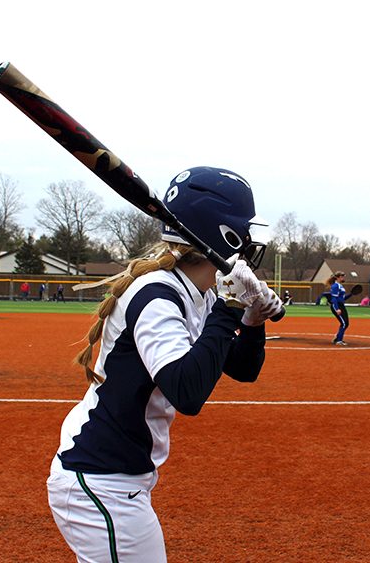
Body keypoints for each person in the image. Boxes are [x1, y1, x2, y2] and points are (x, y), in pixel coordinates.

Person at [46, 167, 280, 562]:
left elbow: (242, 367)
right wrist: (231, 306)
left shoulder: (196, 291)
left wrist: (251, 321)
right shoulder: (159, 295)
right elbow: (186, 392)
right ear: (225, 234)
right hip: (101, 479)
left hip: (116, 476)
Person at [325, 271, 350, 345]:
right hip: (337, 305)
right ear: (337, 277)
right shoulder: (335, 286)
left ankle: (337, 338)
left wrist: (351, 294)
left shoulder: (340, 285)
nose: (343, 278)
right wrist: (337, 309)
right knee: (344, 323)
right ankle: (339, 340)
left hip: (341, 305)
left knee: (346, 323)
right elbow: (334, 299)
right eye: (342, 276)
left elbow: (342, 298)